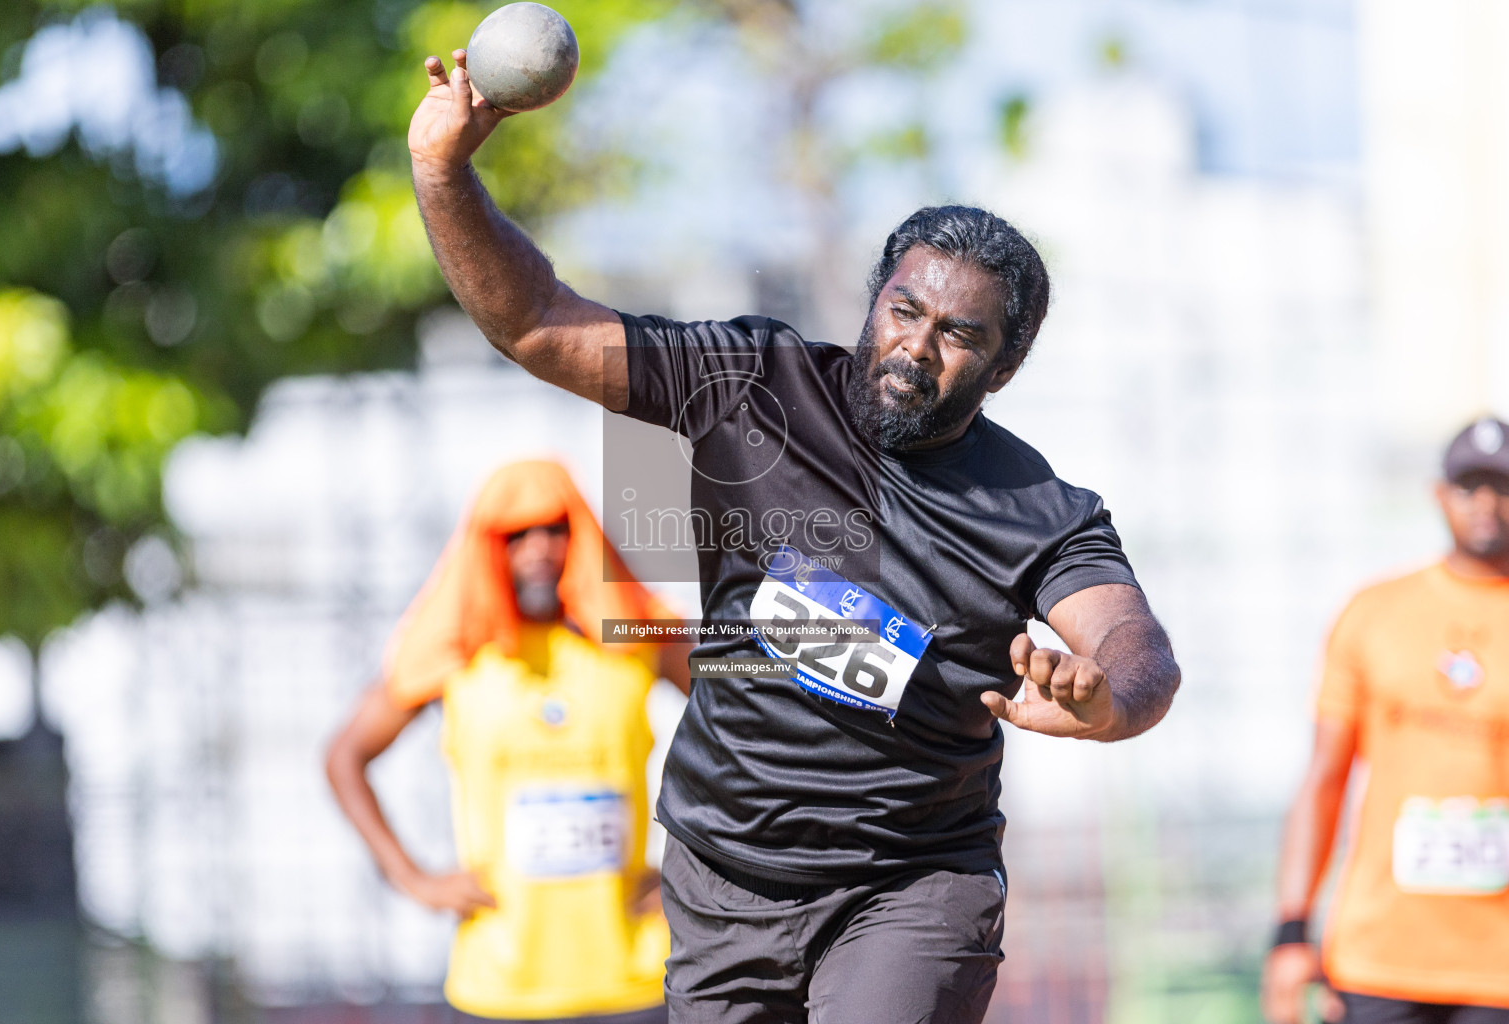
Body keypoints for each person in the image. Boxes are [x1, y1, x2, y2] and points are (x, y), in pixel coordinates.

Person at [405, 52, 1182, 1024]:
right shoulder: (749, 386)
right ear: (873, 302)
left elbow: (1137, 646)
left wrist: (1111, 699)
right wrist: (444, 172)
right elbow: (538, 326)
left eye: (960, 335)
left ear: (1004, 365)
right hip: (724, 873)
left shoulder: (1040, 508)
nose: (918, 345)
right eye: (904, 311)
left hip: (909, 885)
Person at [326, 460, 691, 1024]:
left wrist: (692, 867)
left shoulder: (635, 636)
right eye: (515, 534)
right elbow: (345, 757)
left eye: (554, 528)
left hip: (637, 983)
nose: (538, 548)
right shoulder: (456, 655)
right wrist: (412, 877)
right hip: (498, 990)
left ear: (582, 535)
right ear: (486, 547)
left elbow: (747, 724)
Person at [1262, 417, 1509, 1024]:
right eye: (1469, 486)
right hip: (1379, 959)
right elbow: (1324, 781)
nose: (1487, 504)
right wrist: (1292, 932)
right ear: (1438, 494)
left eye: (1503, 487)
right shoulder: (1374, 614)